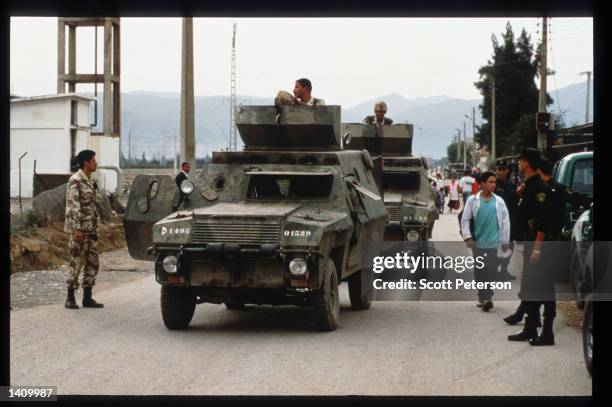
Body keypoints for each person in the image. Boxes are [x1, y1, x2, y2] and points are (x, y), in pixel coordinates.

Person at [507, 148, 555, 346]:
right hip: (530, 241)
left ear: (526, 163)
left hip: (540, 244)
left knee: (544, 287)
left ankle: (548, 332)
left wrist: (537, 248)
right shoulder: (528, 185)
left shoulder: (540, 188)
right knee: (529, 286)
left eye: (521, 161)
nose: (519, 164)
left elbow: (542, 221)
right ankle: (529, 328)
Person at [461, 171, 511, 311]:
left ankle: (487, 297)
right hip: (478, 244)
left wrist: (505, 240)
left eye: (494, 182)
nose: (493, 184)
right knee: (480, 271)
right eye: (490, 182)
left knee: (492, 270)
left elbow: (505, 222)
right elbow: (465, 220)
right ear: (482, 184)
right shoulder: (472, 200)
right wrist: (468, 237)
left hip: (495, 243)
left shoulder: (499, 202)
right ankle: (483, 296)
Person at [64, 149, 104, 309]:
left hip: (92, 230)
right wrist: (77, 229)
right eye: (94, 160)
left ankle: (88, 297)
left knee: (93, 263)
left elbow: (91, 206)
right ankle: (70, 297)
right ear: (86, 162)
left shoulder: (89, 180)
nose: (96, 163)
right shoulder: (76, 180)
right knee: (76, 262)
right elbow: (73, 206)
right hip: (80, 230)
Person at [494, 159, 519, 281]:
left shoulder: (511, 185)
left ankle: (504, 270)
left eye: (503, 169)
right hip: (496, 222)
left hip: (510, 221)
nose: (501, 172)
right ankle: (494, 270)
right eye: (499, 170)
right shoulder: (493, 185)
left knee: (510, 245)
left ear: (507, 170)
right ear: (496, 171)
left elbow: (515, 202)